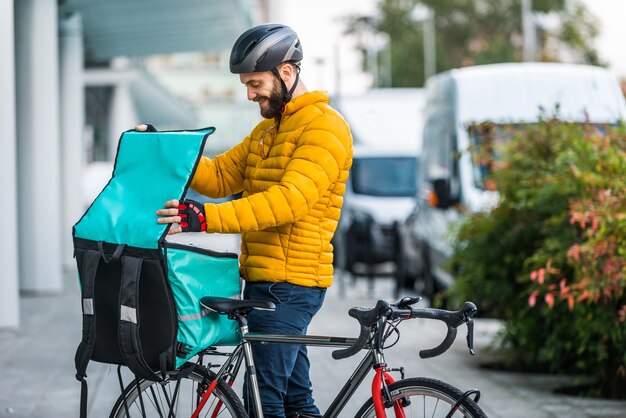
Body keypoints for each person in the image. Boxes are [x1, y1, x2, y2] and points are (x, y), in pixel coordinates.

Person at [149, 23, 353, 418]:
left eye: (256, 83)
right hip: (265, 281)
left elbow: (289, 201)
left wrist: (203, 218)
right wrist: (163, 147)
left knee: (263, 400)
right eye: (246, 85)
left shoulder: (325, 128)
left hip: (292, 285)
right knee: (295, 401)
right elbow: (222, 175)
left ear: (287, 73)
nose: (250, 94)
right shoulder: (267, 131)